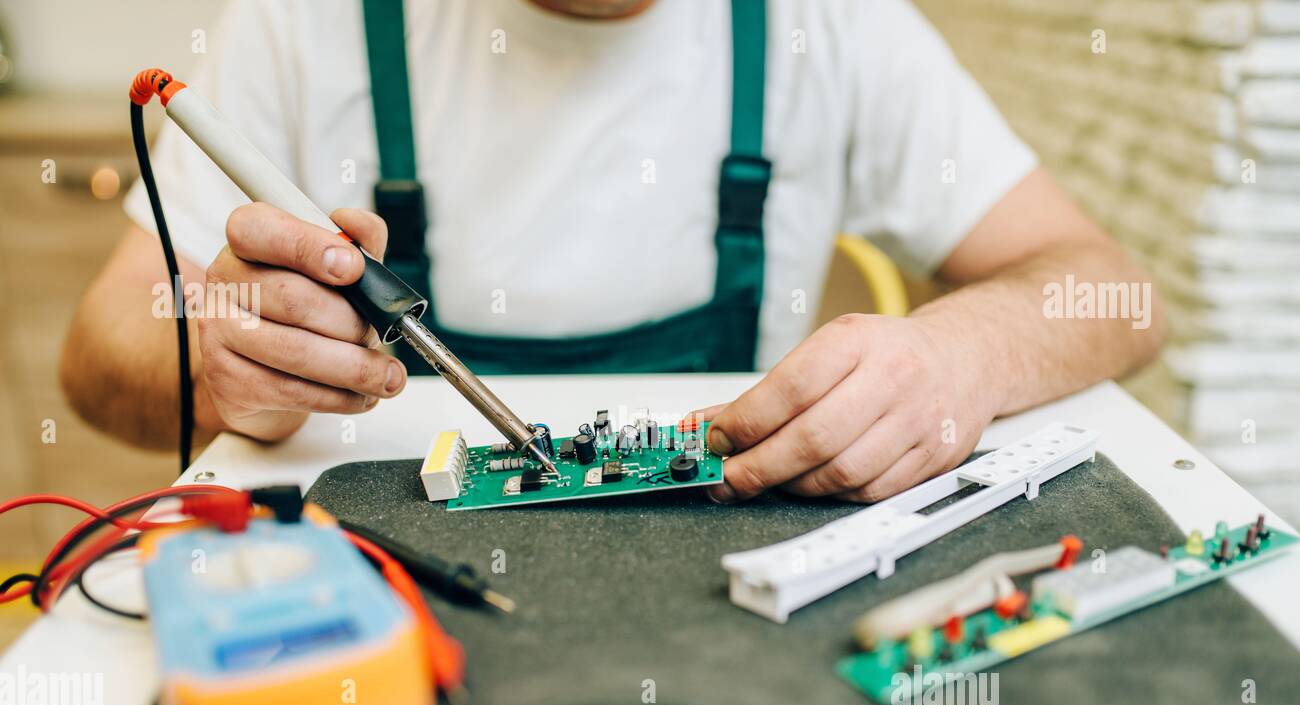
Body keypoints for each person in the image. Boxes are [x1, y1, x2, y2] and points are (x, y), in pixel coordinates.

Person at [64, 0, 1163, 503]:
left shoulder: (834, 26)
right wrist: (209, 359)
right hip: (378, 602)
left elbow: (1114, 292)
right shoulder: (303, 26)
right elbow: (99, 356)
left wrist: (964, 353)